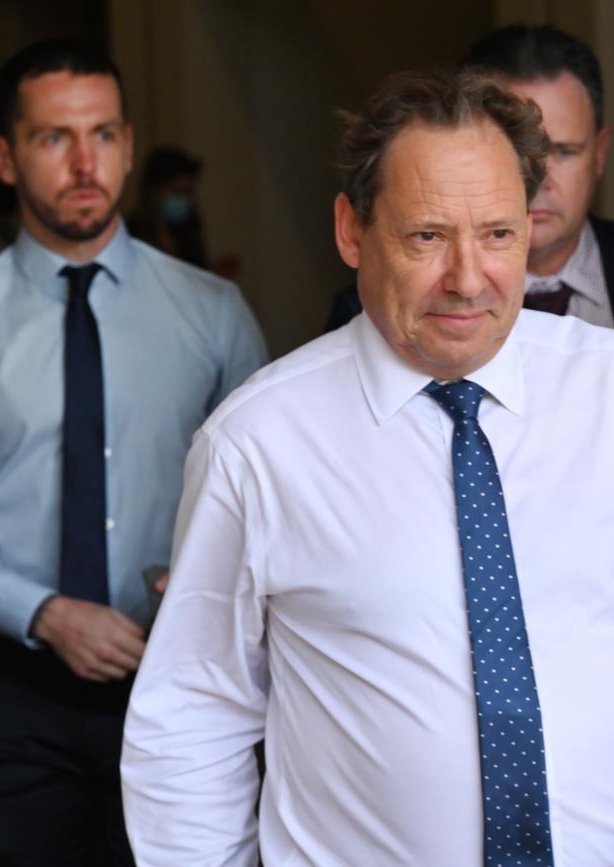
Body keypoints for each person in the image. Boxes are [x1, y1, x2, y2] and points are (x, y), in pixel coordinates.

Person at [122, 69, 614, 866]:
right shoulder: (258, 442)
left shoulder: (607, 396)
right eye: (427, 236)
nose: (467, 277)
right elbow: (191, 718)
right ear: (353, 231)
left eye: (496, 234)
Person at [0, 38, 267, 867]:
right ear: (4, 156)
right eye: (53, 138)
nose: (83, 161)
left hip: (183, 682)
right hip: (8, 693)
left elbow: (271, 501)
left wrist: (209, 572)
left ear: (129, 145)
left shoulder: (215, 313)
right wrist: (42, 611)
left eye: (102, 134)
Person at [325, 24, 614, 331]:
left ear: (599, 154)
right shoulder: (367, 309)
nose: (538, 178)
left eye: (563, 152)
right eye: (513, 154)